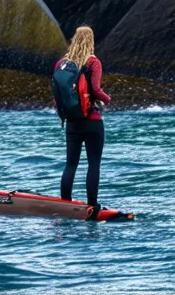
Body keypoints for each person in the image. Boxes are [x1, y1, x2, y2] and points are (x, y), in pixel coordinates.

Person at [56, 26, 111, 215]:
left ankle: (65, 203)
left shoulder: (61, 64)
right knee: (93, 163)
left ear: (74, 40)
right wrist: (107, 99)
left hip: (71, 121)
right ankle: (92, 205)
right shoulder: (93, 63)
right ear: (91, 41)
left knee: (70, 163)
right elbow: (95, 90)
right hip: (92, 120)